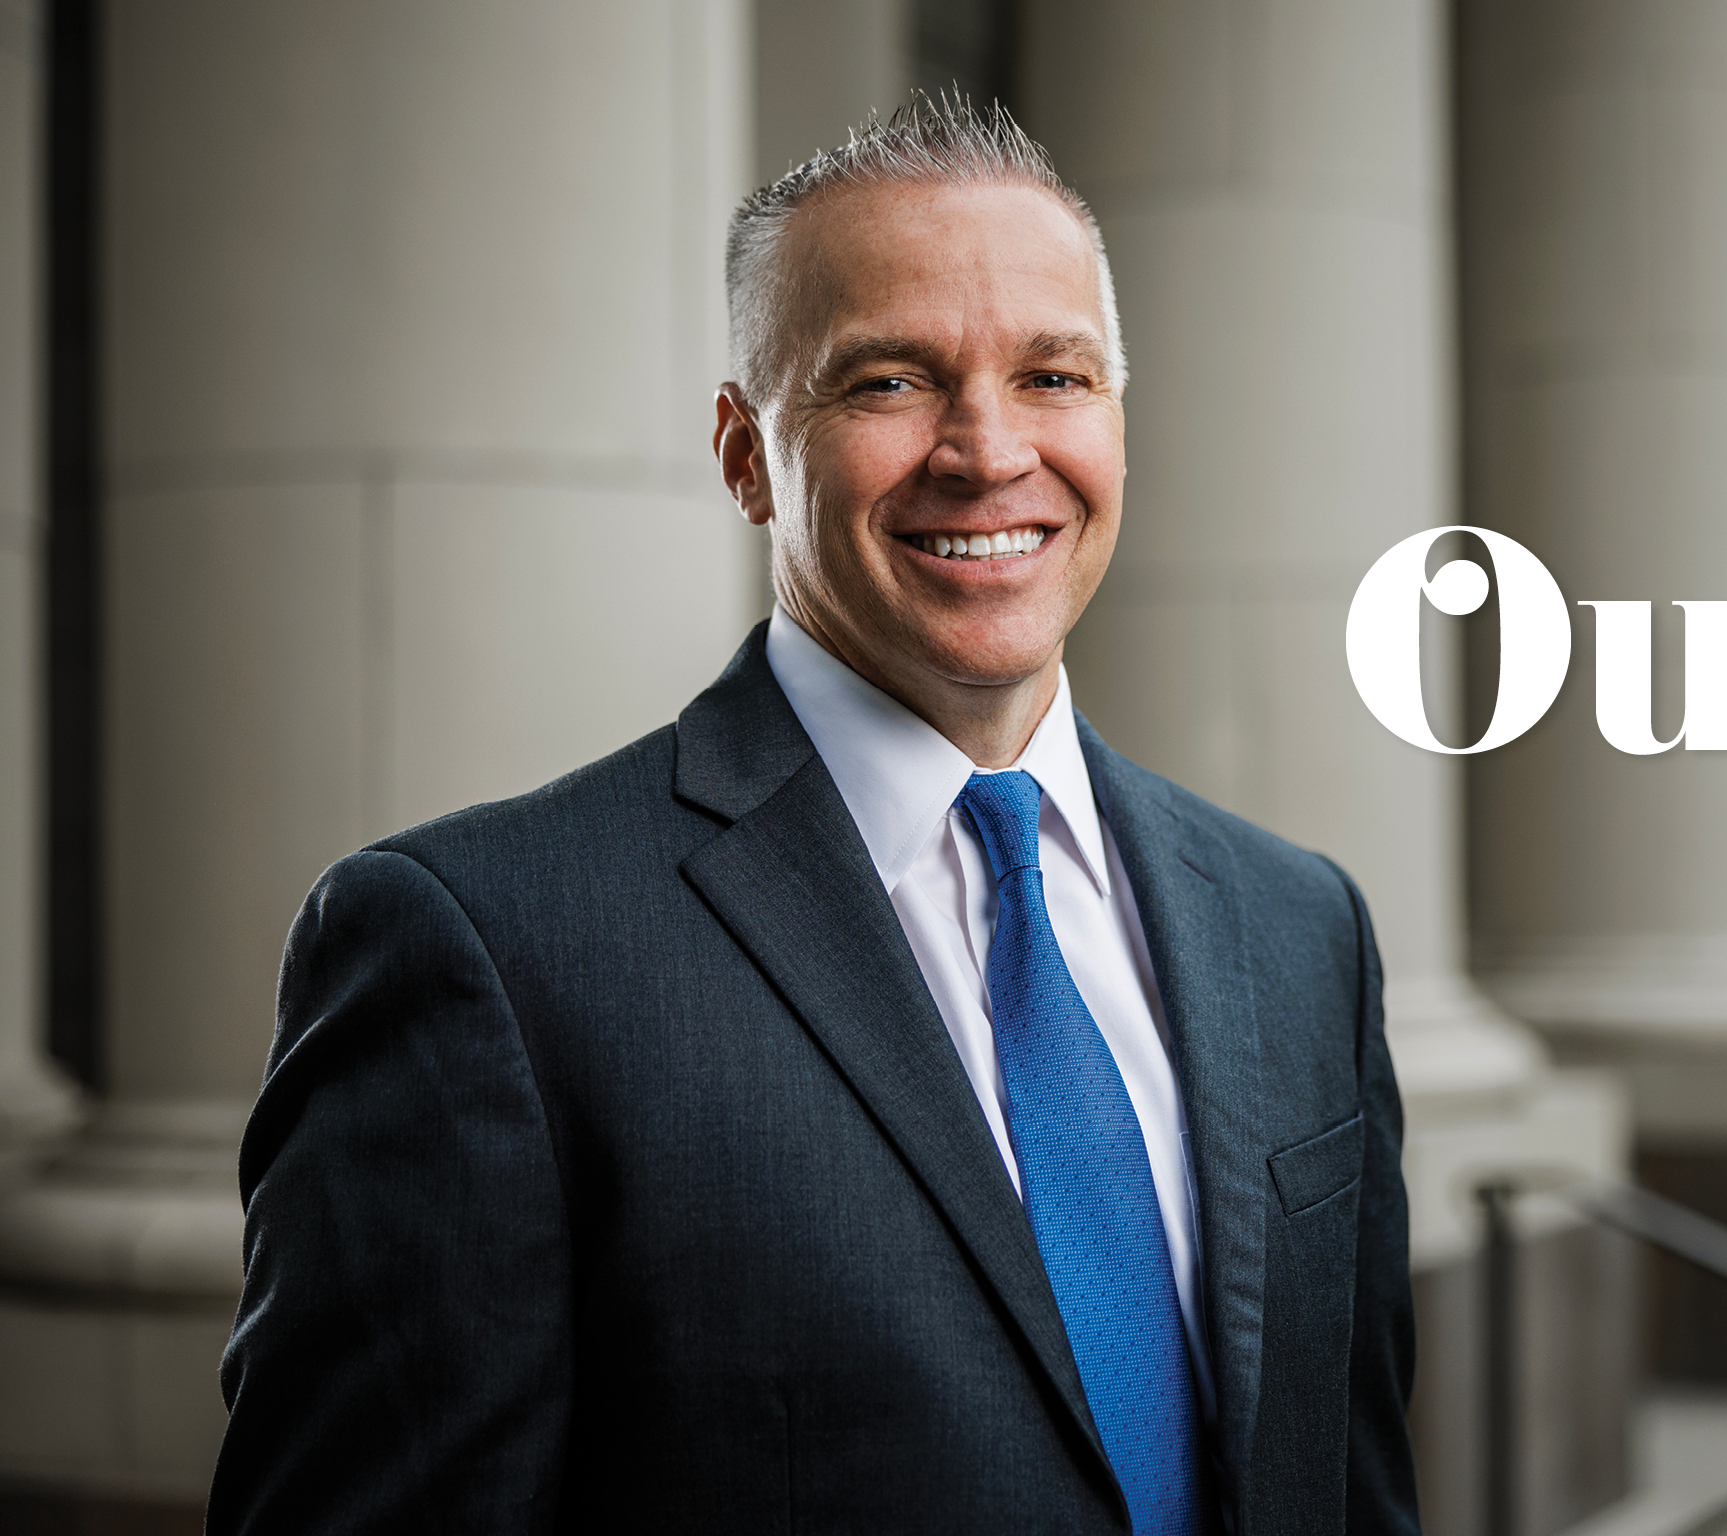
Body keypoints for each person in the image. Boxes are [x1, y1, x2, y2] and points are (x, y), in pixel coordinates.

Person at [209, 97, 1419, 1535]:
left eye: (1054, 375)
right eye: (890, 382)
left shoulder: (1300, 928)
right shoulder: (487, 955)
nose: (988, 450)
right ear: (742, 455)